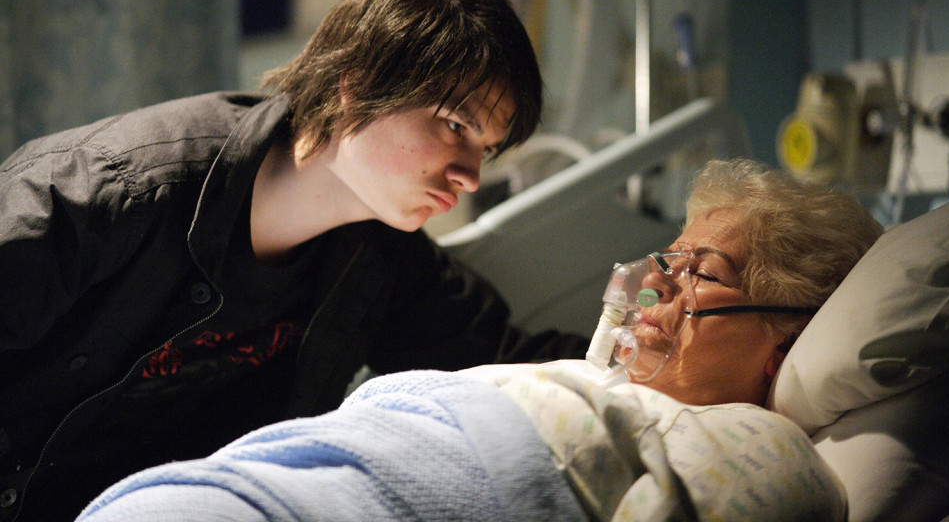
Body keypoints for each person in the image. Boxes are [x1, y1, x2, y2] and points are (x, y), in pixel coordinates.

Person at [0, 0, 588, 522]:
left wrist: (654, 322)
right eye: (456, 126)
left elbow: (507, 360)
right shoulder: (108, 191)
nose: (470, 175)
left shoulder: (377, 258)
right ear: (356, 86)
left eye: (484, 148)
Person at [75, 159, 885, 522]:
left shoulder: (767, 453)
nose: (652, 288)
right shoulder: (592, 382)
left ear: (786, 338)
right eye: (662, 260)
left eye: (698, 273)